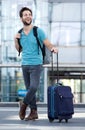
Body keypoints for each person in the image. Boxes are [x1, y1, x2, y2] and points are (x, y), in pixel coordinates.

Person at [14, 7, 58, 121]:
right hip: (24, 64)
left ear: (31, 17)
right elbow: (19, 49)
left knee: (33, 87)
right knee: (29, 89)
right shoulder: (19, 33)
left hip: (36, 64)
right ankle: (34, 112)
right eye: (25, 15)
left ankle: (23, 105)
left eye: (29, 14)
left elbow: (47, 43)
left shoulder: (38, 31)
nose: (28, 16)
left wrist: (53, 48)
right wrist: (15, 40)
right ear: (21, 18)